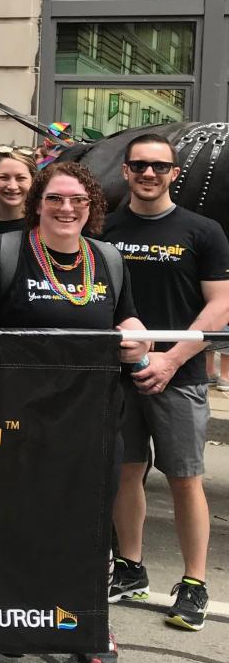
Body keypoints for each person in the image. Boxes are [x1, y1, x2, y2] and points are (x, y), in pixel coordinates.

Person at [0, 161, 147, 663]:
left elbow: (124, 315)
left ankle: (88, 622)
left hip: (93, 418)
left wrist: (138, 336)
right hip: (17, 418)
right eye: (56, 199)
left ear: (92, 208)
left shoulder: (108, 259)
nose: (66, 209)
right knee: (19, 516)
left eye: (77, 201)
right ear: (38, 203)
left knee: (87, 524)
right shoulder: (5, 252)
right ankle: (18, 617)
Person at [102, 134, 229, 632]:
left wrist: (172, 360)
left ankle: (194, 583)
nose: (148, 174)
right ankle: (130, 569)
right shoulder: (105, 229)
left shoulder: (204, 231)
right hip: (121, 374)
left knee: (184, 478)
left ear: (175, 173)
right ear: (127, 171)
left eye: (159, 167)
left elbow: (219, 306)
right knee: (127, 471)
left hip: (181, 375)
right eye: (139, 166)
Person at [0, 147, 36, 236]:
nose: (12, 186)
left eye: (20, 178)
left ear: (32, 181)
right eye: (3, 177)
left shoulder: (43, 231)